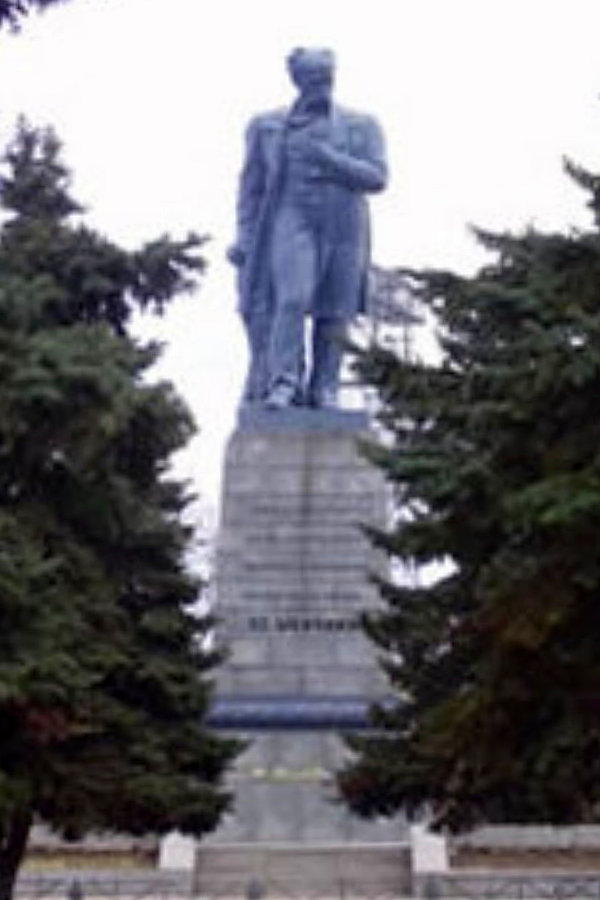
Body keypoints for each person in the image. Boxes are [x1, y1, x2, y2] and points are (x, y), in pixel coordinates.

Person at [228, 47, 388, 409]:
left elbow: (377, 177)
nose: (322, 86)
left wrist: (329, 160)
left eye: (326, 79)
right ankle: (284, 382)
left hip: (344, 222)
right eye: (313, 80)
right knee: (292, 298)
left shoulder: (362, 124)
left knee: (336, 308)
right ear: (298, 80)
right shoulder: (266, 126)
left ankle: (325, 387)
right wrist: (244, 235)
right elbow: (250, 188)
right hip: (290, 215)